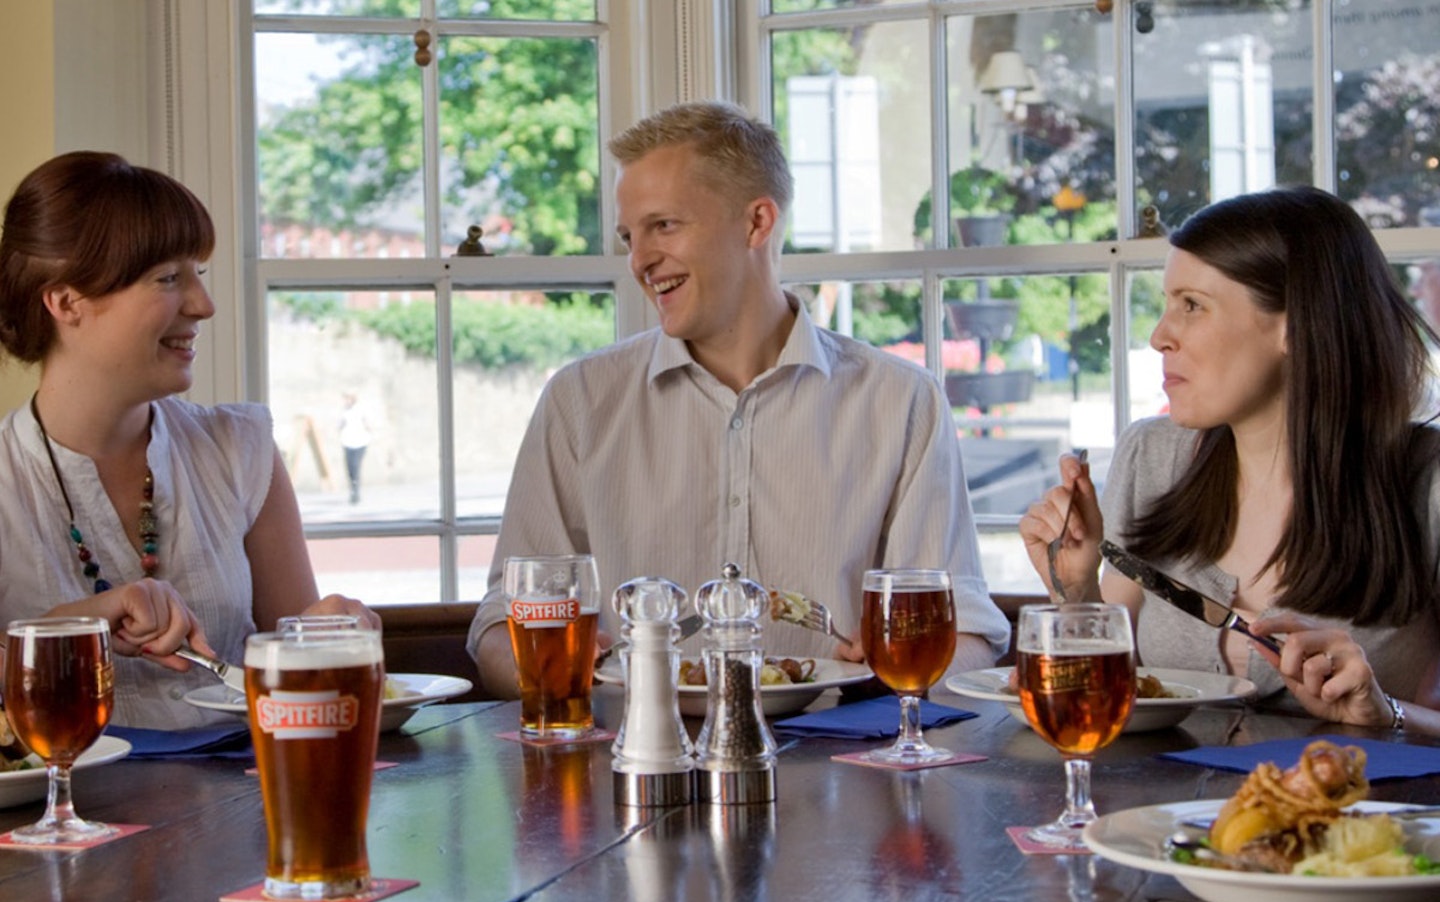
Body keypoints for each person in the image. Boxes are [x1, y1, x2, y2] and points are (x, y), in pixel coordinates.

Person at [468, 101, 1009, 699]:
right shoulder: (579, 401)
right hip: (630, 766)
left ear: (756, 223)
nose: (639, 260)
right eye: (630, 235)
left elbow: (969, 632)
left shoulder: (901, 402)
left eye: (664, 226)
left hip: (840, 767)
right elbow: (500, 625)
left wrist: (904, 670)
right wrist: (549, 667)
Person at [1021, 185, 1440, 736]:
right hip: (1159, 818)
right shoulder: (1153, 456)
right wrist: (1075, 592)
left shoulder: (1427, 483)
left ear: (1295, 324)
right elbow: (1117, 683)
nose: (1159, 336)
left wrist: (1385, 714)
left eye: (1193, 305)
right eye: (1166, 304)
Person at [0, 151, 377, 729]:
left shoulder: (240, 448)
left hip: (248, 801)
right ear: (66, 302)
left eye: (197, 274)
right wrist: (87, 621)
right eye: (169, 279)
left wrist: (330, 633)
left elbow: (298, 675)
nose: (204, 304)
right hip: (68, 813)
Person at [339, 391, 371, 505]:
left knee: (356, 466)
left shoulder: (360, 410)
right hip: (348, 442)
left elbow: (367, 424)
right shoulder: (345, 412)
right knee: (350, 468)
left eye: (347, 398)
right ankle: (352, 489)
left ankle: (356, 491)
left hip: (360, 442)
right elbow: (341, 425)